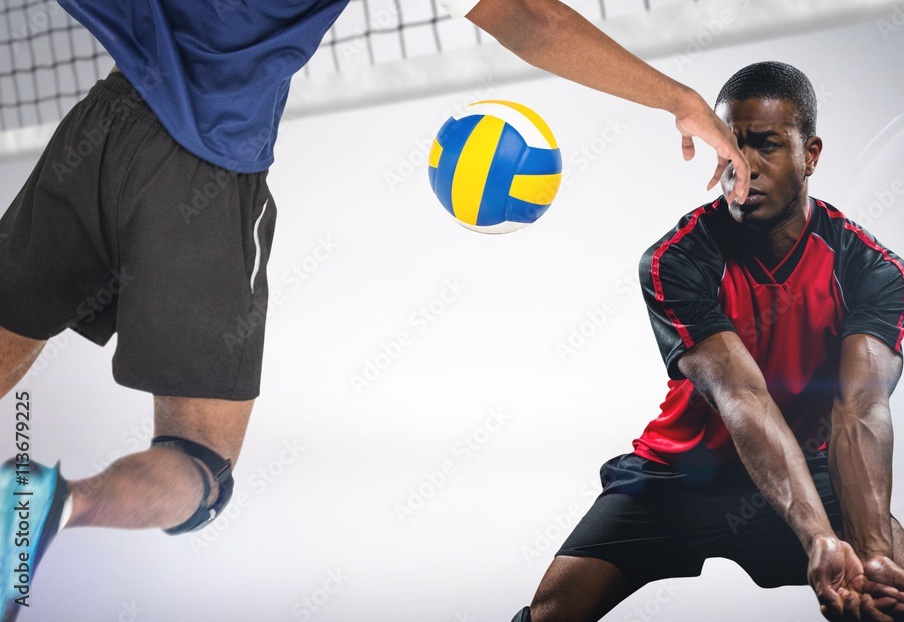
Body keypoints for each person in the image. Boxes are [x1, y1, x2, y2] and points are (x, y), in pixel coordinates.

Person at [0, 0, 750, 617]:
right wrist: (681, 99)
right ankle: (47, 504)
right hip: (206, 161)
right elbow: (529, 16)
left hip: (99, 125)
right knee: (198, 466)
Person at [510, 61, 904, 622]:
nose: (745, 168)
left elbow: (858, 410)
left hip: (807, 471)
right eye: (730, 150)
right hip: (679, 474)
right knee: (548, 614)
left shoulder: (871, 269)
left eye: (766, 145)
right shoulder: (678, 259)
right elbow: (743, 397)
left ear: (811, 154)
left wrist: (872, 554)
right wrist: (818, 537)